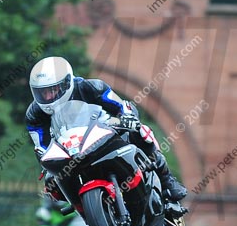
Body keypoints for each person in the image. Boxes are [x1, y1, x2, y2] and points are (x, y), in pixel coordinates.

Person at [25, 56, 187, 203]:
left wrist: (127, 118)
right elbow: (42, 146)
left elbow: (120, 106)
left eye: (53, 90)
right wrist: (47, 162)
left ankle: (166, 178)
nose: (47, 97)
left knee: (141, 131)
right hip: (71, 149)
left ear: (67, 83)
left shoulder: (92, 87)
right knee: (52, 181)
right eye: (42, 92)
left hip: (105, 131)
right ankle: (84, 208)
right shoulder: (34, 115)